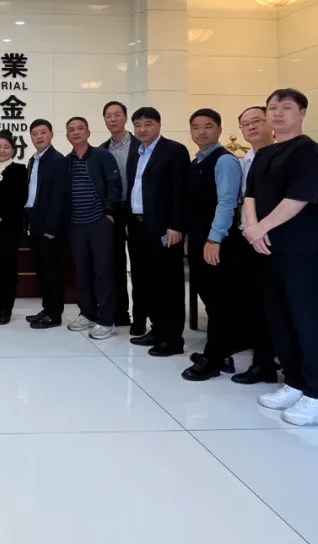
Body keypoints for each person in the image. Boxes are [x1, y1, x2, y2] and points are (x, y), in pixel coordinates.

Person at [243, 88, 318, 426]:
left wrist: (261, 227)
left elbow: (298, 198)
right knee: (278, 316)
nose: (278, 113)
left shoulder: (307, 150)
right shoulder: (265, 153)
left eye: (286, 107)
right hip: (266, 247)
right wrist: (252, 228)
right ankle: (294, 382)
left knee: (307, 318)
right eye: (273, 107)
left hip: (301, 248)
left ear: (302, 113)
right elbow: (250, 194)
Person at [183, 109, 243, 381]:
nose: (202, 132)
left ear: (219, 129)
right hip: (198, 240)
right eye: (196, 127)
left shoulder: (225, 161)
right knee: (209, 298)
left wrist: (214, 239)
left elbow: (227, 202)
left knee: (219, 301)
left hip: (216, 243)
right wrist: (189, 239)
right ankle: (221, 351)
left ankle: (215, 359)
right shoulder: (197, 161)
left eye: (208, 126)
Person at [126, 106, 189, 356]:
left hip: (164, 227)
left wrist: (176, 225)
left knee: (168, 282)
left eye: (148, 124)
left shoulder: (174, 151)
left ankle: (172, 338)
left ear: (159, 125)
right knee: (146, 280)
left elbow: (180, 191)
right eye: (138, 125)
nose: (142, 129)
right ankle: (157, 329)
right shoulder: (136, 153)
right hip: (138, 225)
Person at [231, 106, 279, 385]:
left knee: (274, 304)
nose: (251, 127)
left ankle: (271, 360)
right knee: (254, 302)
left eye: (257, 121)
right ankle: (262, 360)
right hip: (247, 239)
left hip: (275, 240)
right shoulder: (245, 160)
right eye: (245, 123)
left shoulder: (284, 155)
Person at [65, 117, 122, 340]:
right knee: (82, 271)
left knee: (103, 271)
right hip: (76, 224)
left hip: (99, 222)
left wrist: (108, 212)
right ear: (67, 136)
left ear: (88, 132)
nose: (76, 132)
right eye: (71, 130)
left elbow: (114, 185)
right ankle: (87, 313)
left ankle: (106, 320)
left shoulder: (102, 156)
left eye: (80, 128)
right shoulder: (67, 161)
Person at [24, 119, 69, 329]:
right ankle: (47, 308)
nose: (39, 137)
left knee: (52, 271)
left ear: (51, 134)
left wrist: (52, 227)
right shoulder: (34, 160)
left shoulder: (57, 160)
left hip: (49, 225)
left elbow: (59, 197)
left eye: (43, 132)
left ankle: (54, 315)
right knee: (42, 269)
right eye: (34, 134)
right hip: (35, 220)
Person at [0, 131, 28, 324]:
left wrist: (1, 214)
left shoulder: (20, 170)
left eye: (6, 147)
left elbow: (20, 198)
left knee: (8, 268)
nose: (2, 151)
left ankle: (7, 309)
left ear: (13, 150)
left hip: (10, 227)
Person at [101, 101, 133, 326]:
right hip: (113, 211)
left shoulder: (139, 145)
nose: (112, 119)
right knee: (115, 264)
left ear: (125, 117)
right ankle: (121, 314)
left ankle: (142, 317)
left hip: (136, 210)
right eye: (108, 116)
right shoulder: (102, 150)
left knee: (140, 266)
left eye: (117, 114)